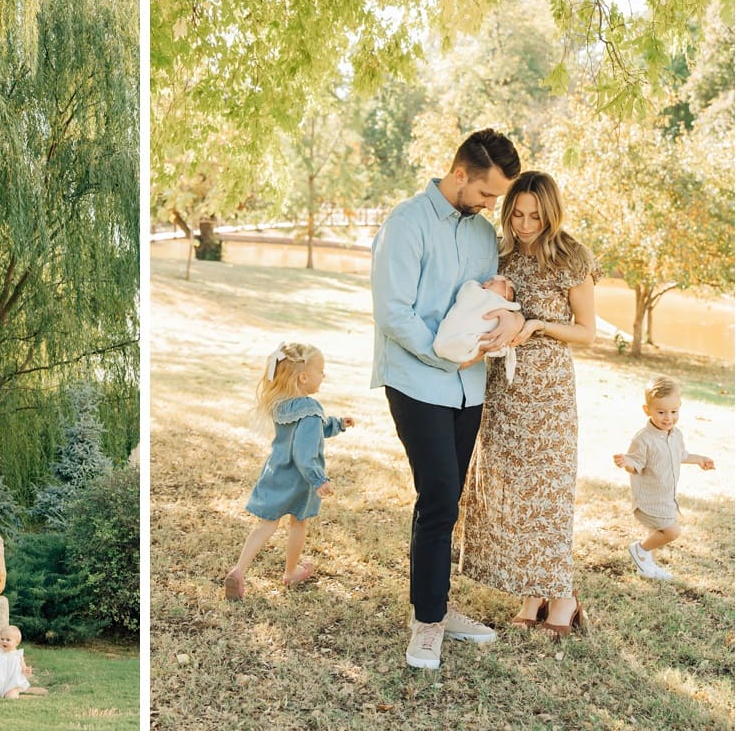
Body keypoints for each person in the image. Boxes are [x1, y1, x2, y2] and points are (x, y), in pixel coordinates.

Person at [370, 127, 524, 670]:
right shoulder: (406, 223)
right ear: (460, 175)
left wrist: (509, 322)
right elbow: (393, 314)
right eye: (486, 194)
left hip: (469, 386)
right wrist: (446, 357)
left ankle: (435, 603)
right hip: (417, 379)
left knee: (449, 498)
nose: (490, 206)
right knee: (437, 496)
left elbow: (487, 300)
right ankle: (427, 623)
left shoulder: (482, 235)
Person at [458, 170, 600, 639]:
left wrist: (536, 325)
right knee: (515, 494)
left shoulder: (571, 257)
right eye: (516, 213)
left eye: (534, 216)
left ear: (551, 213)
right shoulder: (499, 253)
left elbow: (587, 332)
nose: (523, 224)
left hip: (549, 392)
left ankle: (563, 596)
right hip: (502, 388)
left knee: (549, 494)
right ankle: (533, 595)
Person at [223, 342, 355, 601]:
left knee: (265, 525)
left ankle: (239, 570)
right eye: (321, 371)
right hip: (300, 479)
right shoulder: (311, 407)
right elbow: (304, 453)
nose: (323, 375)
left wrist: (337, 424)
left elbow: (312, 429)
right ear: (304, 377)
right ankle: (291, 571)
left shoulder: (283, 405)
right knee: (298, 523)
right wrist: (319, 480)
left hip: (275, 472)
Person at [614, 376, 715, 581]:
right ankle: (640, 550)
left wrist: (700, 460)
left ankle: (646, 566)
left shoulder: (675, 434)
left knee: (660, 532)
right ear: (647, 410)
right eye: (661, 412)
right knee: (671, 532)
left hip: (666, 498)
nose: (668, 418)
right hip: (649, 501)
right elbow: (636, 464)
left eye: (673, 412)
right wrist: (627, 463)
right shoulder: (643, 439)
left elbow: (682, 455)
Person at [433, 276, 522, 382]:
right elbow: (466, 294)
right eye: (488, 281)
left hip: (471, 357)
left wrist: (516, 318)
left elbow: (513, 313)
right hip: (454, 333)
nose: (485, 283)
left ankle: (465, 343)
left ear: (505, 296)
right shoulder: (477, 294)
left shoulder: (501, 305)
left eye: (491, 284)